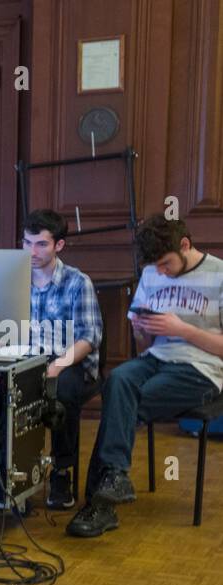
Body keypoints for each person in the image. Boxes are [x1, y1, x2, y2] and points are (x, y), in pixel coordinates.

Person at [67, 215, 223, 537]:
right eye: (156, 267)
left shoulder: (219, 276)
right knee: (118, 380)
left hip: (201, 369)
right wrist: (141, 331)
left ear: (185, 245)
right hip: (156, 357)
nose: (161, 273)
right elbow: (144, 344)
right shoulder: (152, 273)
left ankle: (100, 505)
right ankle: (114, 479)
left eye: (166, 264)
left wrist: (182, 330)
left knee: (119, 406)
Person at [21, 209, 103, 509]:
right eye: (27, 242)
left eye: (41, 244)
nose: (32, 251)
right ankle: (9, 472)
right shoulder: (15, 278)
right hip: (28, 357)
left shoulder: (77, 282)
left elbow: (89, 337)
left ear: (59, 245)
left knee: (62, 391)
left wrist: (56, 366)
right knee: (2, 388)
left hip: (69, 358)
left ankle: (61, 471)